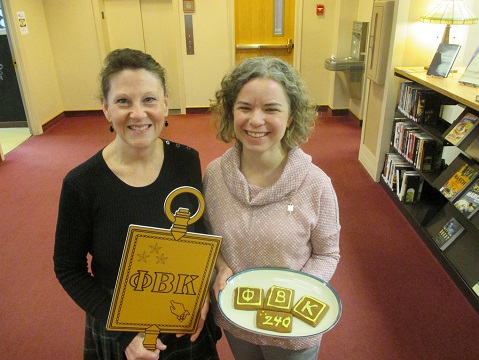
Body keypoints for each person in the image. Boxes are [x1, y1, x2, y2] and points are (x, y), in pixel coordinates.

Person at [54, 48, 221, 360]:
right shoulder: (81, 184)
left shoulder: (186, 160)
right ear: (105, 108)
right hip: (120, 326)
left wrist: (201, 292)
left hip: (182, 318)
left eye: (149, 99)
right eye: (123, 101)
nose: (139, 114)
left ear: (165, 104)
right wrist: (123, 333)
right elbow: (68, 268)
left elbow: (195, 238)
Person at [203, 56, 341, 360]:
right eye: (245, 107)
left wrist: (293, 292)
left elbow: (327, 253)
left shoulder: (316, 185)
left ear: (291, 117)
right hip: (236, 318)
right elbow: (209, 238)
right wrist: (220, 266)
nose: (255, 120)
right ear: (231, 112)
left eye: (271, 109)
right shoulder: (214, 175)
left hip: (293, 327)